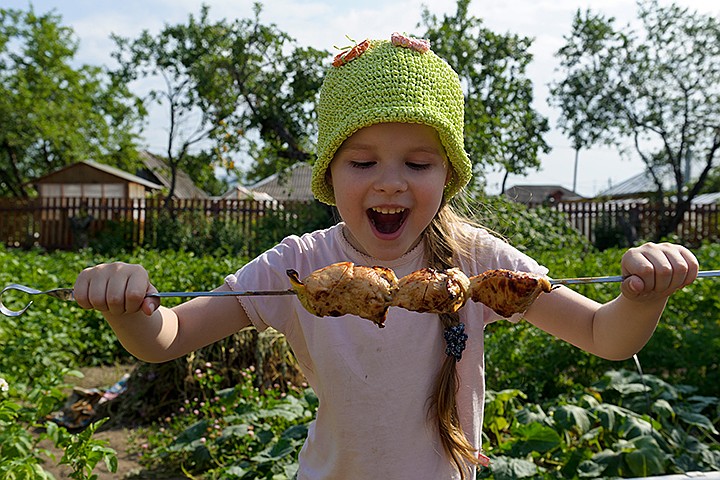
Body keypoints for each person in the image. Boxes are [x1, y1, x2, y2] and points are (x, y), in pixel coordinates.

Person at [73, 33, 699, 480]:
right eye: (363, 161)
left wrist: (645, 295)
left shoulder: (477, 262)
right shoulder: (298, 266)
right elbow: (168, 336)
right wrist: (130, 306)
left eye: (418, 163)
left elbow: (602, 334)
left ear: (447, 175)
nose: (391, 182)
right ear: (329, 174)